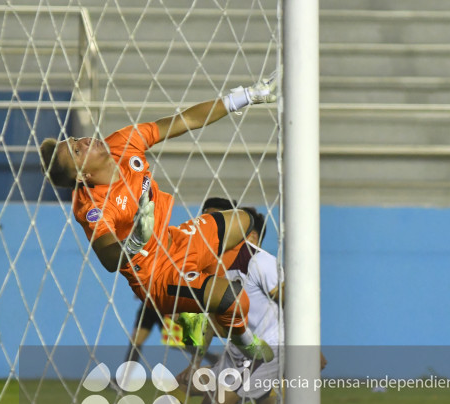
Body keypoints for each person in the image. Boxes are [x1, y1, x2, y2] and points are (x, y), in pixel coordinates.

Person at [39, 76, 277, 362]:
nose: (84, 141)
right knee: (234, 300)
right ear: (82, 176)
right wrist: (135, 240)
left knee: (244, 221)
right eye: (77, 151)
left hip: (176, 241)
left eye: (76, 139)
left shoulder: (122, 142)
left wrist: (246, 96)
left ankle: (200, 304)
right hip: (157, 277)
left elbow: (184, 120)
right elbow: (107, 257)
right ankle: (246, 344)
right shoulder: (91, 205)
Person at [189, 208, 358, 404]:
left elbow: (292, 301)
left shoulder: (259, 261)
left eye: (216, 222)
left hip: (267, 349)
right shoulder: (213, 264)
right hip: (242, 352)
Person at [121, 197, 236, 366]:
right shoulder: (190, 235)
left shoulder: (223, 251)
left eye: (212, 215)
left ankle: (213, 358)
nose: (206, 219)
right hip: (155, 297)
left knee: (178, 342)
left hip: (175, 299)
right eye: (205, 214)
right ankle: (122, 381)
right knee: (136, 339)